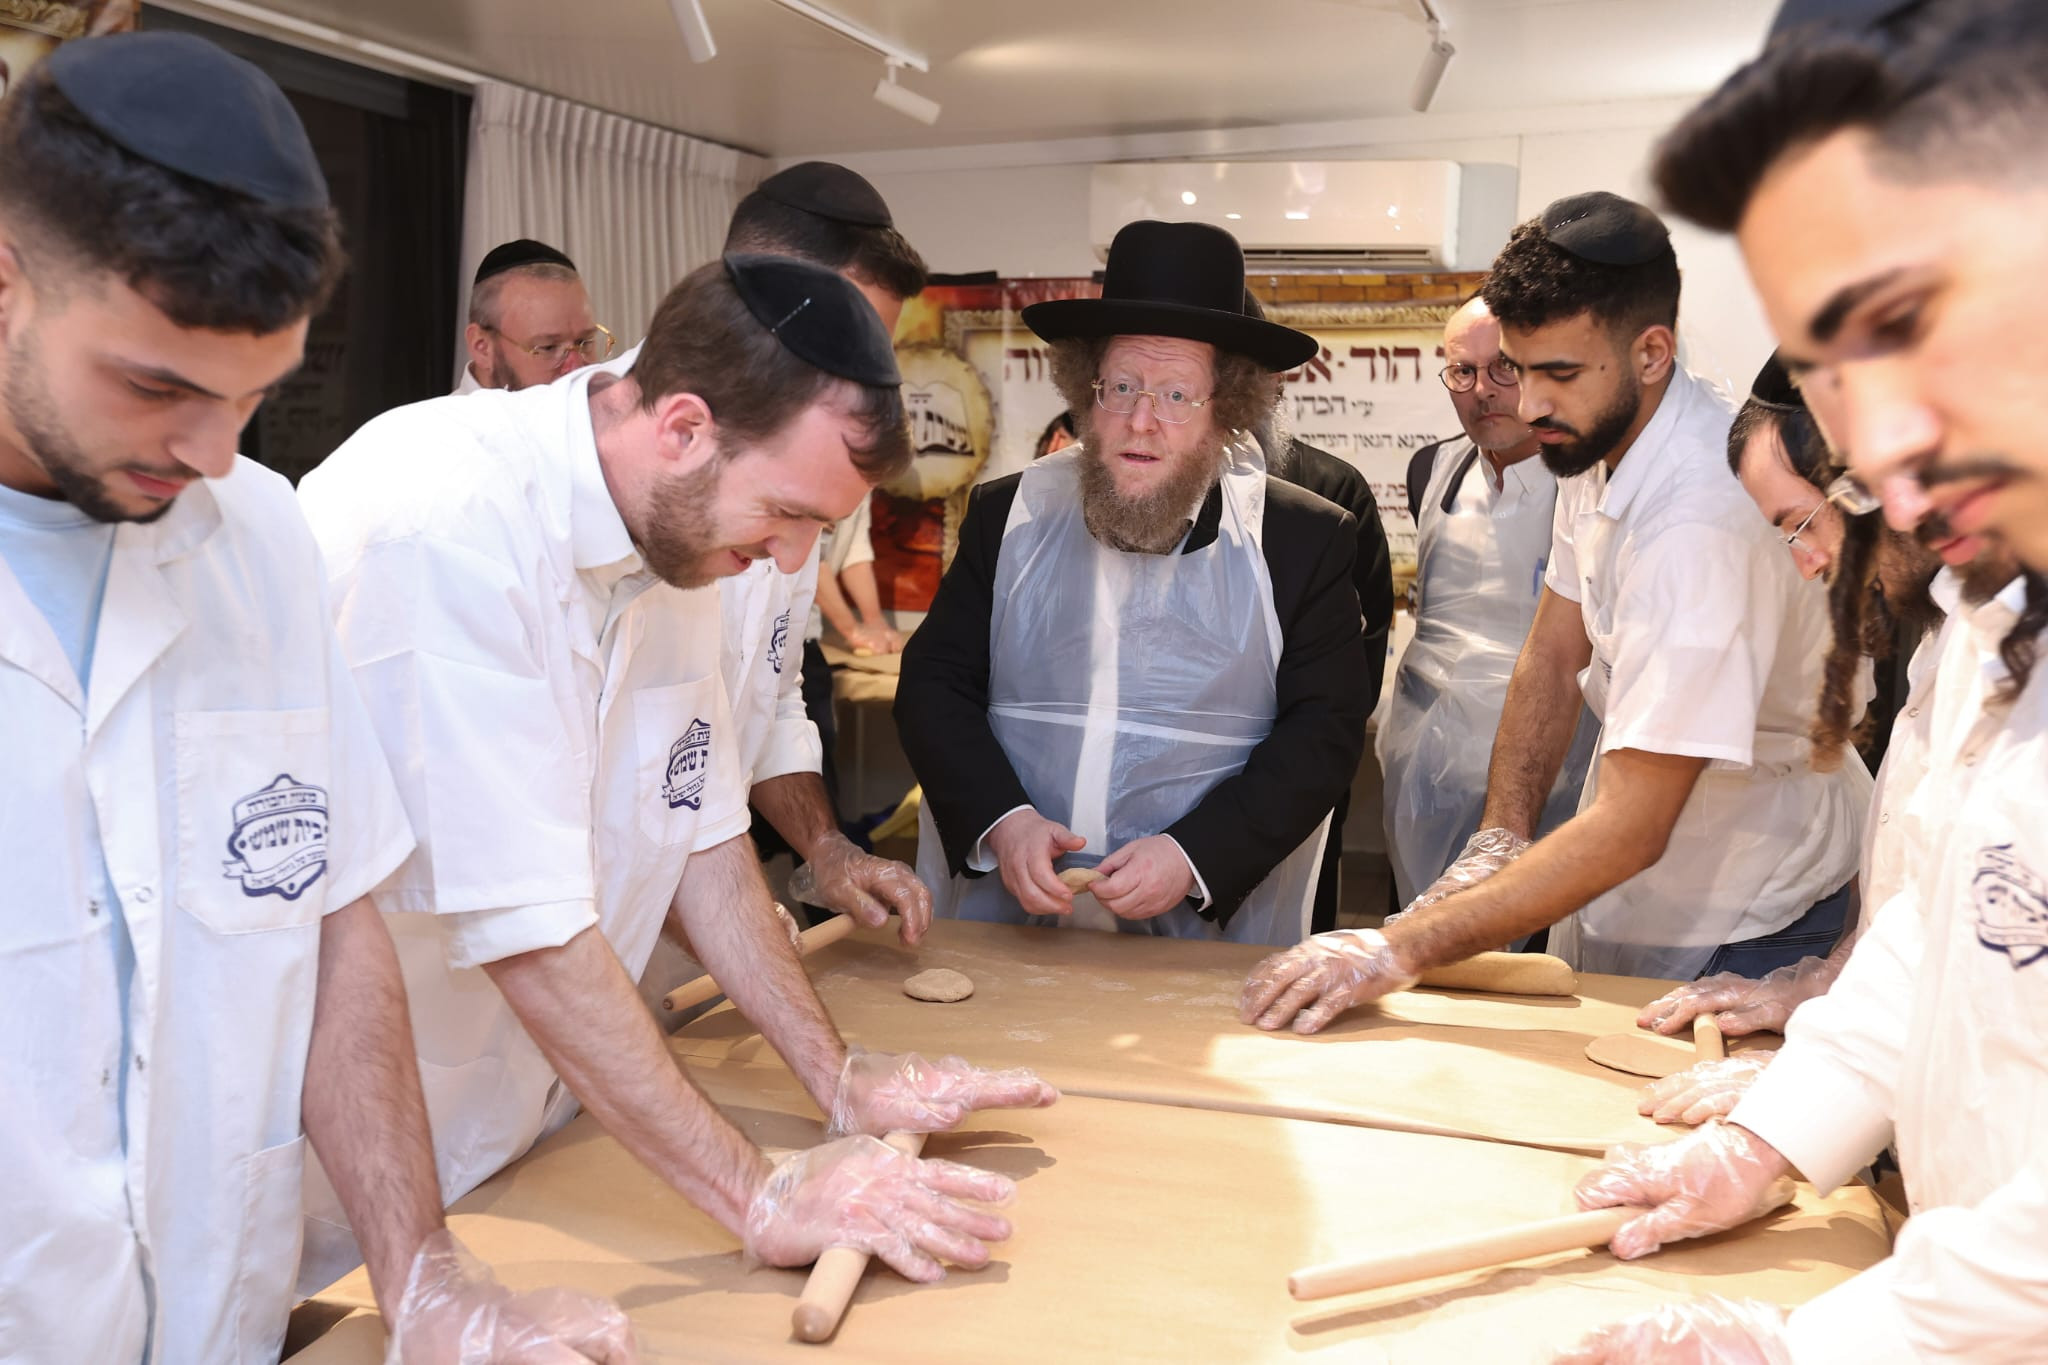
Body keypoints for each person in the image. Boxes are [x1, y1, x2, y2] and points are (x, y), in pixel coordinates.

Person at [0, 32, 629, 1362]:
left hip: (212, 1318)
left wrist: (423, 1272)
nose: (210, 451)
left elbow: (333, 922)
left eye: (252, 396)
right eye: (158, 385)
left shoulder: (260, 535)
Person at [296, 254, 1055, 1293]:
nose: (790, 560)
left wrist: (837, 1075)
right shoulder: (441, 524)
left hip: (527, 1127)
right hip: (355, 1173)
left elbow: (700, 831)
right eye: (785, 513)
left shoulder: (673, 532)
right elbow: (530, 933)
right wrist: (761, 1195)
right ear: (685, 428)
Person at [1552, 3, 2048, 1359]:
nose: (1886, 472)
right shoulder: (1998, 614)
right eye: (1831, 378)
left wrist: (1816, 1346)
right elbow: (1950, 930)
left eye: (1906, 324)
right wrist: (1774, 1136)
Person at [1243, 191, 1869, 1033]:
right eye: (1518, 366)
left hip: (1758, 900)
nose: (1530, 403)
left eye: (1559, 373)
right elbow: (1551, 651)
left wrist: (1396, 948)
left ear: (1652, 352)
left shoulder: (1699, 520)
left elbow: (1635, 823)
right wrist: (1501, 835)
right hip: (1637, 881)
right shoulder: (1594, 442)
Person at [898, 219, 1371, 946]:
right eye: (1120, 387)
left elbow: (1324, 732)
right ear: (1085, 390)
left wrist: (1193, 853)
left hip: (1206, 936)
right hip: (1015, 921)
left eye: (1177, 394)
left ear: (1227, 409)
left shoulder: (1302, 539)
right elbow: (935, 685)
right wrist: (1004, 820)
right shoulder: (1008, 514)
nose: (1141, 421)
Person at [710, 161, 931, 929]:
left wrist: (826, 848)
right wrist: (736, 923)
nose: (860, 382)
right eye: (843, 343)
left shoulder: (800, 481)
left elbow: (769, 705)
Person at [1377, 294, 1596, 913]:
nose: (1483, 390)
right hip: (1424, 775)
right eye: (1462, 371)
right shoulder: (1433, 468)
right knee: (1420, 939)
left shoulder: (1588, 483)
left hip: (1550, 781)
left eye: (1503, 367)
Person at [1244, 287, 1396, 934]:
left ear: (1275, 386)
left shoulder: (1331, 494)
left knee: (1293, 941)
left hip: (1291, 780)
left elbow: (1358, 660)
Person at [457, 237, 613, 392]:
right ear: (482, 348)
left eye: (585, 342)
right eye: (549, 348)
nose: (577, 369)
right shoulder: (447, 410)